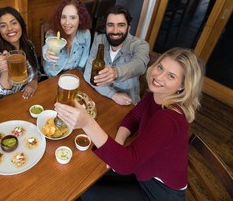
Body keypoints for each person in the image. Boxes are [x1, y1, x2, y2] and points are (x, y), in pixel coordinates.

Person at [55, 47, 205, 200]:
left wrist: (87, 123)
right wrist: (119, 141)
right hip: (142, 170)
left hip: (159, 192)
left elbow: (126, 164)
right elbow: (133, 117)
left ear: (182, 86)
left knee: (85, 193)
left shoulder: (168, 118)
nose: (159, 77)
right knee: (82, 182)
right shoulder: (156, 95)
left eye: (171, 76)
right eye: (160, 67)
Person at [84, 6, 149, 105]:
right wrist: (112, 94)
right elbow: (88, 73)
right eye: (110, 25)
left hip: (127, 103)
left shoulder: (140, 45)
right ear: (105, 27)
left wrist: (116, 72)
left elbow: (140, 65)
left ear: (128, 28)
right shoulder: (99, 40)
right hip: (102, 95)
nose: (115, 31)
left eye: (121, 25)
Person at [0, 7, 41, 99]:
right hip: (10, 103)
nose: (10, 28)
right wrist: (5, 71)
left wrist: (34, 82)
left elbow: (36, 71)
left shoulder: (28, 44)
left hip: (32, 97)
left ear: (21, 24)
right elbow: (2, 91)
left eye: (14, 23)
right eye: (3, 26)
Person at [42, 0, 92, 77]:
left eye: (72, 17)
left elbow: (85, 56)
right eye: (63, 17)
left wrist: (78, 71)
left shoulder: (86, 34)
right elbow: (46, 48)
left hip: (74, 71)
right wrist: (47, 54)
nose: (67, 22)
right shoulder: (53, 33)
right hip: (54, 74)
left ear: (80, 19)